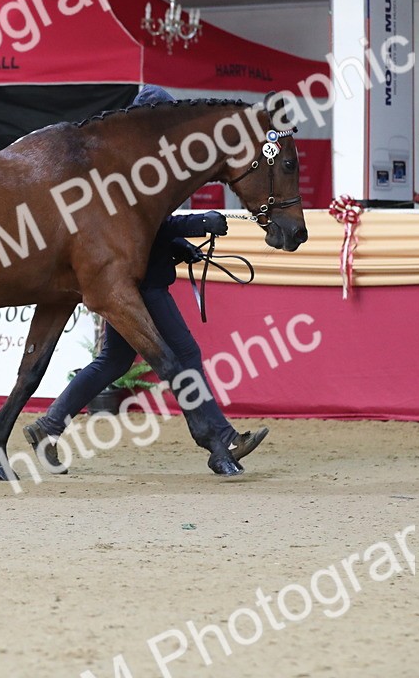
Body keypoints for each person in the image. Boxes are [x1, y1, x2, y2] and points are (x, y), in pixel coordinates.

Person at [23, 85, 268, 477]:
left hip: (141, 273)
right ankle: (221, 442)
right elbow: (147, 225)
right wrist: (199, 223)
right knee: (184, 354)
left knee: (113, 361)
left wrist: (180, 248)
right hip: (138, 283)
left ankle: (49, 426)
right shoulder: (139, 165)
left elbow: (151, 230)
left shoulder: (142, 162)